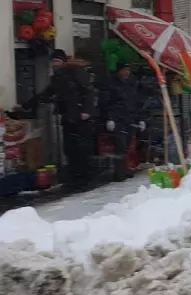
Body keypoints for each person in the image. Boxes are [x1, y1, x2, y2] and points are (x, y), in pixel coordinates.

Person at [22, 49, 97, 190]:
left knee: (82, 148)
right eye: (53, 61)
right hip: (68, 117)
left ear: (63, 61)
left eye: (57, 61)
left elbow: (90, 91)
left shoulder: (76, 73)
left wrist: (86, 111)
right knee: (69, 148)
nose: (54, 64)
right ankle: (75, 177)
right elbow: (47, 93)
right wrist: (28, 105)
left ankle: (86, 178)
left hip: (81, 118)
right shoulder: (57, 78)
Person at [101, 62, 143, 180]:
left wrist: (140, 119)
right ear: (118, 71)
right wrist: (110, 118)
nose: (126, 72)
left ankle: (125, 168)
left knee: (128, 145)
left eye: (128, 70)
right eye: (124, 70)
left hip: (130, 118)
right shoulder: (111, 84)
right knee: (120, 145)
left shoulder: (132, 83)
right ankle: (119, 172)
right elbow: (106, 102)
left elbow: (137, 102)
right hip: (118, 119)